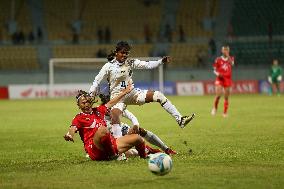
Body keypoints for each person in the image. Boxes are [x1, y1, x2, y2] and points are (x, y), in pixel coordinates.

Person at [89, 41, 195, 139]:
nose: (124, 55)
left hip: (132, 94)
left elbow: (147, 64)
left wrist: (161, 61)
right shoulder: (108, 66)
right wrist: (90, 93)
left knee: (158, 95)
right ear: (116, 52)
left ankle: (180, 120)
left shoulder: (130, 62)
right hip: (118, 98)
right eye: (122, 53)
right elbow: (96, 80)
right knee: (115, 117)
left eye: (126, 53)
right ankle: (118, 148)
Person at [64, 85, 147, 161]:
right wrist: (70, 135)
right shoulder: (79, 117)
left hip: (109, 144)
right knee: (103, 130)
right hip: (95, 149)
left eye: (88, 101)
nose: (86, 104)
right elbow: (73, 128)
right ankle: (114, 156)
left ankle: (144, 157)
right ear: (79, 105)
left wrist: (124, 92)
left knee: (137, 138)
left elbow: (111, 102)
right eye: (83, 103)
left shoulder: (98, 110)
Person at [99, 94, 177, 155]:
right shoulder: (100, 111)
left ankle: (166, 149)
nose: (110, 109)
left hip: (120, 130)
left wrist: (136, 125)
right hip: (109, 137)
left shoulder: (117, 108)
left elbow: (132, 117)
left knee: (140, 130)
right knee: (127, 152)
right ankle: (148, 151)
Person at [211, 46, 235, 117]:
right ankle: (215, 108)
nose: (226, 51)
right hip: (220, 79)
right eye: (224, 50)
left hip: (227, 79)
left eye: (227, 50)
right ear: (222, 51)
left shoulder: (231, 58)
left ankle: (224, 113)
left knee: (226, 97)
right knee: (218, 94)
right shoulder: (218, 59)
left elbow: (232, 64)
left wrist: (228, 56)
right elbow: (214, 70)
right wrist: (218, 74)